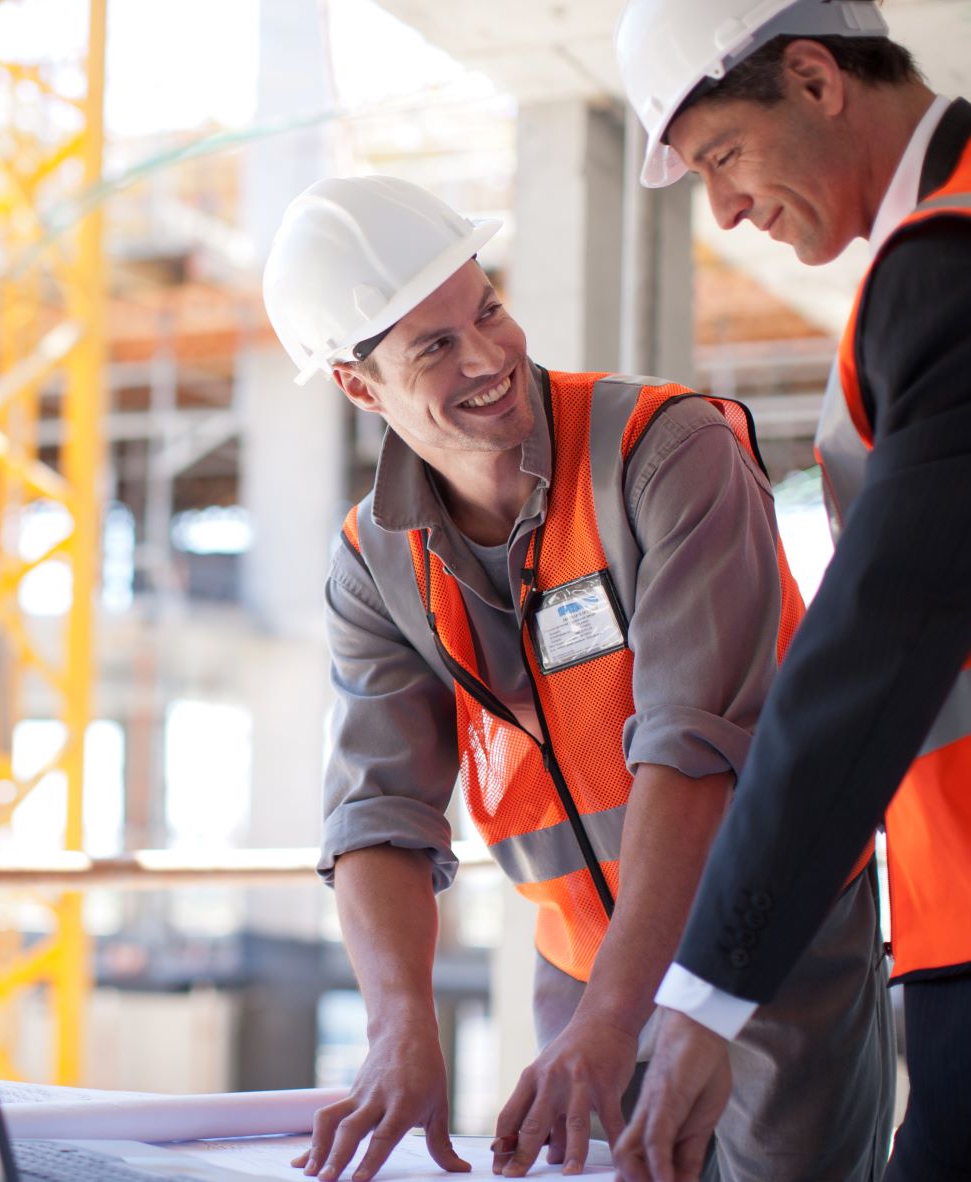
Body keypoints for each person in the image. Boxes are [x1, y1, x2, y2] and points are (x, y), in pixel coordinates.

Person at [259, 175, 893, 1182]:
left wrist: (616, 1016)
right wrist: (399, 1029)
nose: (488, 357)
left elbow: (693, 754)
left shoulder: (667, 453)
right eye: (432, 346)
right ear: (356, 384)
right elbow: (379, 811)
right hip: (583, 966)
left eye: (488, 310)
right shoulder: (375, 562)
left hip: (770, 947)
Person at [609, 2, 971, 1180]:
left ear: (814, 78)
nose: (726, 209)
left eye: (723, 158)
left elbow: (875, 649)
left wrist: (704, 996)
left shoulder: (960, 265)